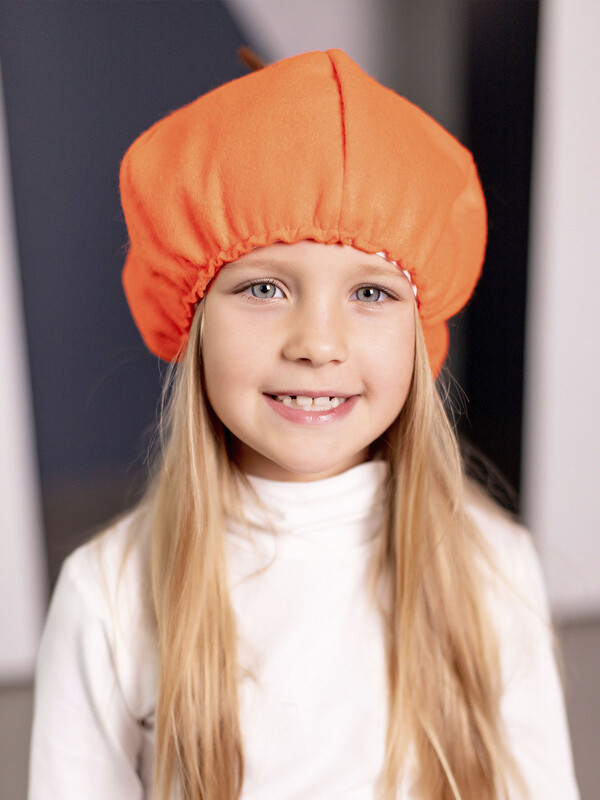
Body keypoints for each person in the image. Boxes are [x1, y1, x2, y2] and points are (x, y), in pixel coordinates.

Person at [28, 50, 580, 800]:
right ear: (192, 321)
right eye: (264, 287)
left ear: (420, 338)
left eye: (371, 294)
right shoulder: (109, 596)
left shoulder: (492, 570)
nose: (318, 344)